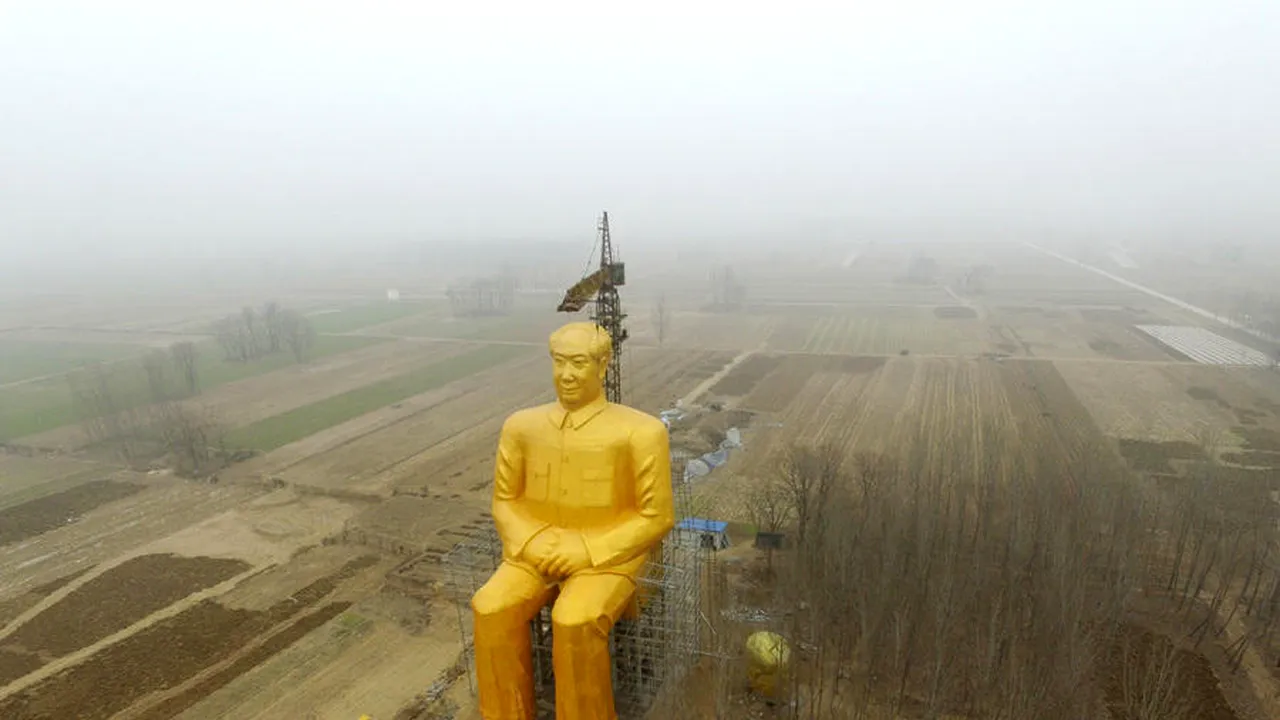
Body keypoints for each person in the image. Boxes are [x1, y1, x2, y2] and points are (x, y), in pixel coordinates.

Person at [471, 322, 674, 720]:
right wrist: (530, 543)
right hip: (535, 549)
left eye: (579, 363)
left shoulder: (641, 432)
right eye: (560, 362)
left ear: (603, 365)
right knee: (490, 607)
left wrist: (585, 550)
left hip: (611, 554)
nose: (567, 374)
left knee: (575, 620)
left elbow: (656, 516)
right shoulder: (521, 427)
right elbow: (505, 500)